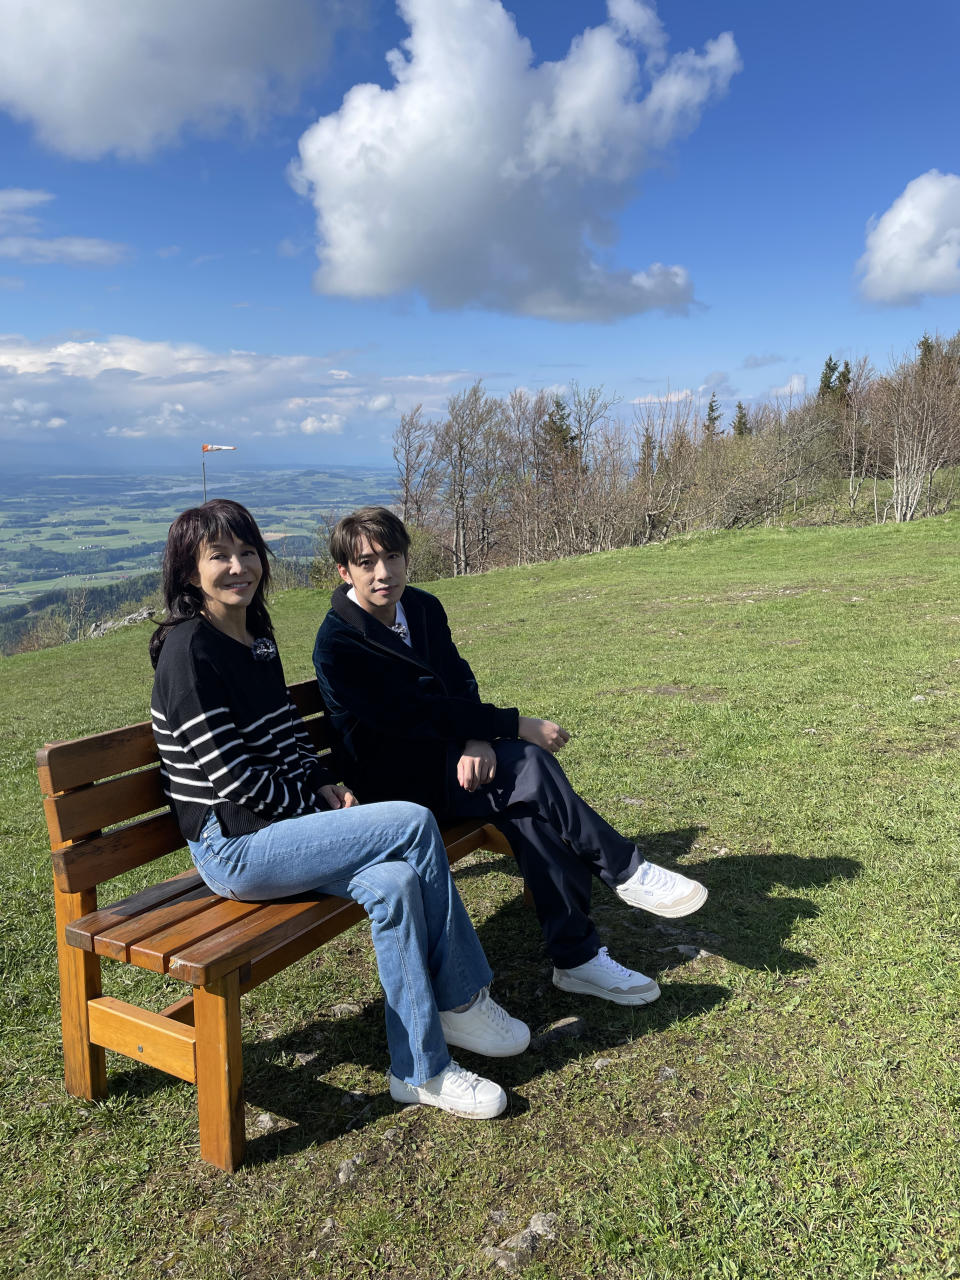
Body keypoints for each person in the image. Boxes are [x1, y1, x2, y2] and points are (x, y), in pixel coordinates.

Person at [149, 498, 528, 1121]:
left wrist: (323, 781)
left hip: (284, 830)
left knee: (398, 881)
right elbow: (232, 780)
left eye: (248, 552)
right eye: (220, 556)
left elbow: (287, 735)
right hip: (236, 846)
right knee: (411, 820)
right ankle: (461, 999)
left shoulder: (255, 636)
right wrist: (313, 808)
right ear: (190, 573)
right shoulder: (189, 651)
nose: (239, 566)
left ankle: (419, 1070)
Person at [313, 507, 708, 1008]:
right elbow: (410, 720)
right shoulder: (338, 645)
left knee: (530, 808)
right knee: (529, 764)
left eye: (392, 557)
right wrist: (509, 727)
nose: (383, 573)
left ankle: (579, 961)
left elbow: (458, 680)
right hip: (398, 791)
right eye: (366, 563)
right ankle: (623, 873)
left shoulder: (423, 607)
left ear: (407, 559)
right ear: (345, 572)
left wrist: (477, 741)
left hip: (454, 760)